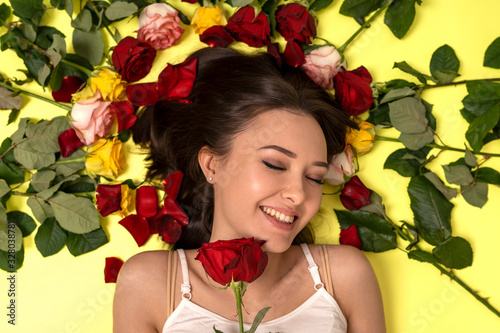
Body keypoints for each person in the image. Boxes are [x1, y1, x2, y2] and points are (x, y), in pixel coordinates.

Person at [113, 47, 386, 333]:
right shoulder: (149, 283)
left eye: (315, 177)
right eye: (274, 164)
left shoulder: (344, 276)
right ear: (213, 165)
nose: (298, 194)